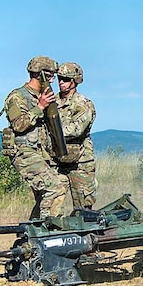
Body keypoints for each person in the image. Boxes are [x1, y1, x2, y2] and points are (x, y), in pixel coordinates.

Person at [1, 56, 69, 220]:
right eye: (51, 75)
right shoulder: (17, 97)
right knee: (55, 188)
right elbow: (18, 125)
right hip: (24, 153)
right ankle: (47, 228)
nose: (53, 80)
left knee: (48, 192)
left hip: (40, 153)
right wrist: (40, 107)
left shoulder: (43, 95)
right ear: (40, 74)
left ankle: (30, 234)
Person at [54, 62, 97, 211]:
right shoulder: (52, 102)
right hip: (57, 161)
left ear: (74, 81)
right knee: (50, 202)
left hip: (81, 162)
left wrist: (51, 133)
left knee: (83, 209)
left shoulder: (83, 104)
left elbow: (76, 129)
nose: (61, 82)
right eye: (59, 78)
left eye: (65, 79)